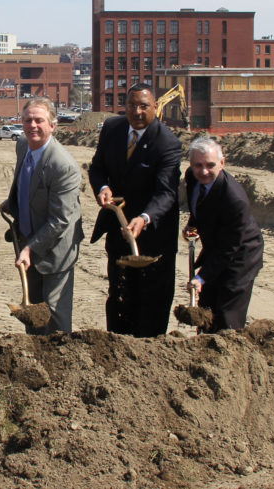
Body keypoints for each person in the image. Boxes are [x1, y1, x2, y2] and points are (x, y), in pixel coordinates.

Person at [88, 83, 182, 337]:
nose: (138, 111)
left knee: (151, 300)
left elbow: (167, 193)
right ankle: (117, 344)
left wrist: (144, 217)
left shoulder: (167, 143)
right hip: (119, 230)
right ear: (125, 106)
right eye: (132, 105)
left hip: (153, 238)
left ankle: (148, 353)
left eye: (144, 106)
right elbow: (96, 168)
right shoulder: (112, 128)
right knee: (119, 294)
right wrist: (103, 187)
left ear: (155, 108)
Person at [0, 97, 84, 334]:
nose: (32, 126)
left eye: (39, 120)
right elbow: (25, 179)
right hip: (29, 238)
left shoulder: (63, 166)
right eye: (27, 120)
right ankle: (35, 357)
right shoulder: (23, 145)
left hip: (57, 249)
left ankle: (61, 361)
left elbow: (61, 219)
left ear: (52, 126)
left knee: (55, 315)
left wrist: (30, 248)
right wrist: (14, 202)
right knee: (33, 310)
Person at [184, 137, 264, 331]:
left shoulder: (234, 200)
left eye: (210, 165)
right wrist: (192, 225)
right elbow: (199, 203)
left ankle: (228, 353)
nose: (203, 171)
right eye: (198, 165)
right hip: (218, 247)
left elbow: (229, 249)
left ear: (222, 163)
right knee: (207, 306)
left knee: (226, 313)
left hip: (241, 255)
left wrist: (201, 277)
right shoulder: (191, 176)